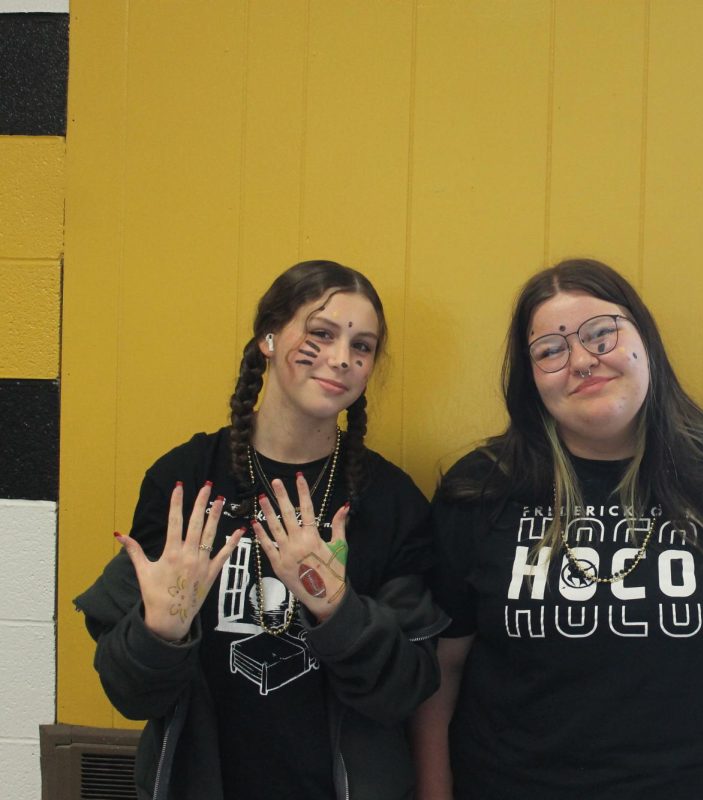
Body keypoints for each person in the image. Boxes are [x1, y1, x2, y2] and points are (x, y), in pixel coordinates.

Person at [412, 258, 703, 799]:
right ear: (530, 378)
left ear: (644, 339)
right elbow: (440, 672)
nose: (582, 361)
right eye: (550, 351)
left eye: (601, 334)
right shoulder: (480, 491)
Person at [75, 260, 448, 800]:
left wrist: (334, 605)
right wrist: (161, 631)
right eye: (320, 334)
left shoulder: (389, 501)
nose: (342, 358)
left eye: (361, 347)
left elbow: (405, 690)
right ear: (269, 338)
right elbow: (131, 694)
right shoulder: (184, 479)